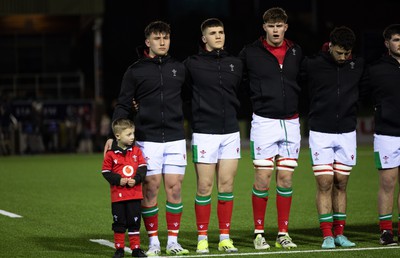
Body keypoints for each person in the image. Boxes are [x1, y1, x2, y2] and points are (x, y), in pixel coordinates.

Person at [104, 21, 189, 256]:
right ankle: (153, 242)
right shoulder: (135, 70)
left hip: (175, 137)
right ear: (148, 41)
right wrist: (114, 135)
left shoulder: (179, 68)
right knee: (151, 188)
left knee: (174, 188)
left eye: (166, 38)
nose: (162, 42)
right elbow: (123, 103)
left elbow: (191, 97)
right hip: (147, 139)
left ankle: (173, 241)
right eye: (157, 38)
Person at [238, 7, 302, 250]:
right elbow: (237, 81)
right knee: (263, 179)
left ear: (286, 27)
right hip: (264, 122)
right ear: (264, 27)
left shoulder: (296, 51)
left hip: (292, 122)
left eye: (280, 25)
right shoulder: (251, 52)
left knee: (285, 179)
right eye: (271, 26)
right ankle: (259, 233)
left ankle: (283, 233)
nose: (276, 30)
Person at [300, 26, 364, 249]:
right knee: (325, 182)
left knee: (342, 182)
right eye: (339, 53)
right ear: (330, 46)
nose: (343, 58)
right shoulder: (313, 64)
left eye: (347, 54)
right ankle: (327, 235)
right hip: (320, 131)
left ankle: (340, 234)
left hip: (347, 131)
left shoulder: (357, 65)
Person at [183, 18, 243, 254]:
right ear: (204, 38)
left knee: (226, 186)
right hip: (204, 132)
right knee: (205, 186)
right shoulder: (192, 64)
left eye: (221, 32)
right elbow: (179, 88)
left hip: (230, 132)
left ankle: (225, 238)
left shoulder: (235, 63)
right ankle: (202, 238)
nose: (218, 36)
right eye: (213, 33)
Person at [361, 24, 400, 246]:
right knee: (387, 183)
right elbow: (362, 95)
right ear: (387, 43)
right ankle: (386, 232)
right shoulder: (375, 69)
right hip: (386, 134)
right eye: (396, 39)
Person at [102, 118, 147, 258]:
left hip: (134, 195)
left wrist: (137, 179)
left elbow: (143, 167)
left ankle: (135, 249)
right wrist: (118, 180)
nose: (132, 137)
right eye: (128, 134)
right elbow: (105, 172)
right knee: (119, 222)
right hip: (118, 196)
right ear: (117, 136)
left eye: (133, 133)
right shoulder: (110, 154)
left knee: (134, 222)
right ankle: (119, 249)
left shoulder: (137, 152)